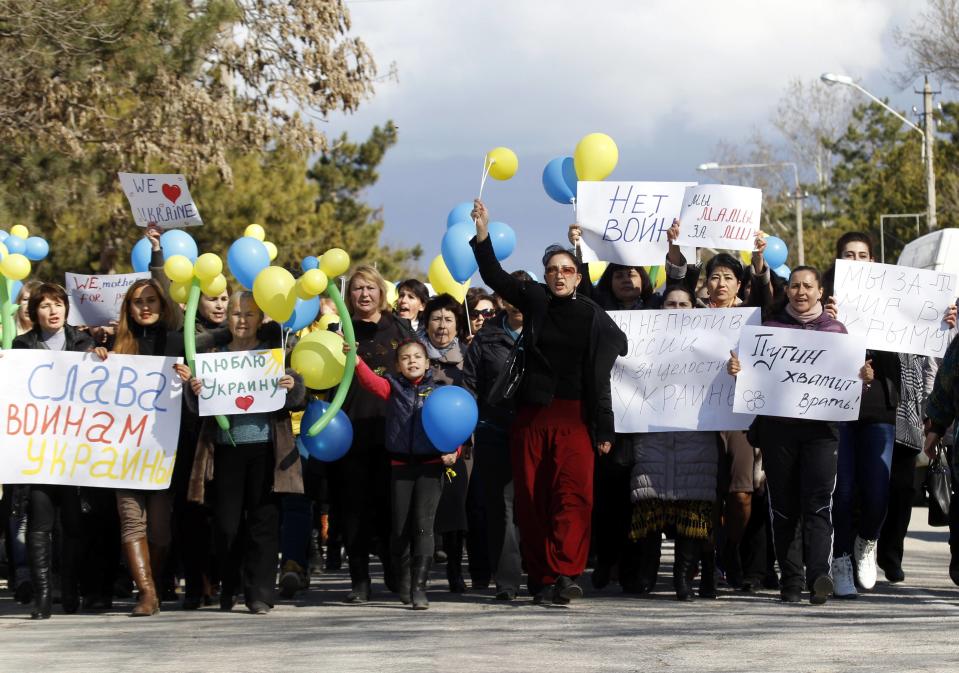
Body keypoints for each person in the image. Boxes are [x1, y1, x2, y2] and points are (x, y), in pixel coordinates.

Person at [470, 199, 628, 603]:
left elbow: (609, 364)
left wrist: (605, 426)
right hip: (532, 416)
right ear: (545, 276)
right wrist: (483, 233)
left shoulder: (593, 315)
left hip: (576, 418)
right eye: (553, 270)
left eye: (567, 270)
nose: (559, 276)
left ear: (577, 275)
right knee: (532, 499)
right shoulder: (535, 300)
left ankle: (566, 572)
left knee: (574, 498)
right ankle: (540, 578)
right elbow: (494, 275)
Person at [728, 266, 873, 604]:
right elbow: (753, 380)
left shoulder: (837, 332)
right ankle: (791, 582)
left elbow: (850, 391)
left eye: (808, 286)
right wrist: (738, 372)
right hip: (779, 433)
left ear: (820, 291)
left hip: (822, 433)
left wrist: (863, 379)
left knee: (818, 504)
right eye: (794, 286)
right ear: (787, 290)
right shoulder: (770, 330)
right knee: (784, 507)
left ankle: (819, 576)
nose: (801, 292)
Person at [178, 291, 305, 614]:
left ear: (260, 317)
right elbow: (200, 408)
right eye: (236, 313)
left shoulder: (274, 352)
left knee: (264, 522)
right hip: (225, 449)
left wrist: (292, 385)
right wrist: (195, 391)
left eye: (249, 313)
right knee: (226, 525)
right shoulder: (212, 352)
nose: (242, 320)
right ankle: (229, 584)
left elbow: (295, 398)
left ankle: (260, 592)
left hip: (267, 449)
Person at [348, 336, 457, 609]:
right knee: (400, 528)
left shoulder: (439, 391)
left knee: (423, 525)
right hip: (400, 466)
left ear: (428, 363)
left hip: (431, 466)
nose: (412, 362)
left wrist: (453, 450)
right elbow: (370, 382)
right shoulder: (393, 388)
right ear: (398, 365)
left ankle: (419, 587)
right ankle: (405, 580)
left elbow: (455, 420)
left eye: (418, 357)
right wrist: (355, 358)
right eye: (406, 358)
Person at [628, 285, 721, 600]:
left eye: (684, 303)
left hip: (696, 436)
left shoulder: (712, 344)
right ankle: (647, 573)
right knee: (649, 506)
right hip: (653, 435)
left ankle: (683, 579)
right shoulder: (641, 343)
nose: (677, 308)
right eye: (670, 303)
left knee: (691, 511)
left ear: (694, 309)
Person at [13, 283, 99, 618]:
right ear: (34, 312)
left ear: (66, 309)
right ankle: (44, 597)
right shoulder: (22, 346)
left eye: (58, 304)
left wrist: (101, 359)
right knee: (40, 524)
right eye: (45, 305)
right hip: (39, 452)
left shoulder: (84, 343)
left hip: (76, 451)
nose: (52, 311)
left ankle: (72, 591)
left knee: (74, 526)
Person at [332, 265, 414, 603]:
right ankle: (360, 580)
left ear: (382, 292)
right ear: (348, 295)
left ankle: (396, 571)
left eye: (370, 288)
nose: (364, 295)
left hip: (393, 430)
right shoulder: (338, 331)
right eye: (357, 289)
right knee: (353, 510)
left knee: (393, 509)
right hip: (350, 431)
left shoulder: (400, 328)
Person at [106, 277, 183, 616]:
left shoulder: (177, 341)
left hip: (162, 449)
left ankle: (158, 579)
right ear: (129, 308)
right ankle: (147, 594)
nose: (146, 306)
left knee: (161, 530)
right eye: (138, 301)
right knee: (131, 522)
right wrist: (97, 359)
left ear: (163, 303)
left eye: (152, 299)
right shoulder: (114, 345)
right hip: (123, 450)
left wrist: (187, 375)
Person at [463, 272, 529, 600]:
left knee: (531, 505)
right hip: (494, 433)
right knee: (500, 508)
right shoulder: (485, 340)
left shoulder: (543, 333)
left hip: (533, 433)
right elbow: (469, 386)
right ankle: (506, 582)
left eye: (523, 294)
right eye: (509, 295)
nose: (516, 302)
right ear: (501, 301)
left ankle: (543, 576)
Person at [420, 293, 477, 592]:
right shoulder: (414, 354)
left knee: (455, 507)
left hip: (459, 446)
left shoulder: (469, 357)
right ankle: (422, 572)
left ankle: (456, 570)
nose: (442, 326)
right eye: (436, 319)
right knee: (424, 509)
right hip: (420, 443)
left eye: (448, 320)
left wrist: (457, 445)